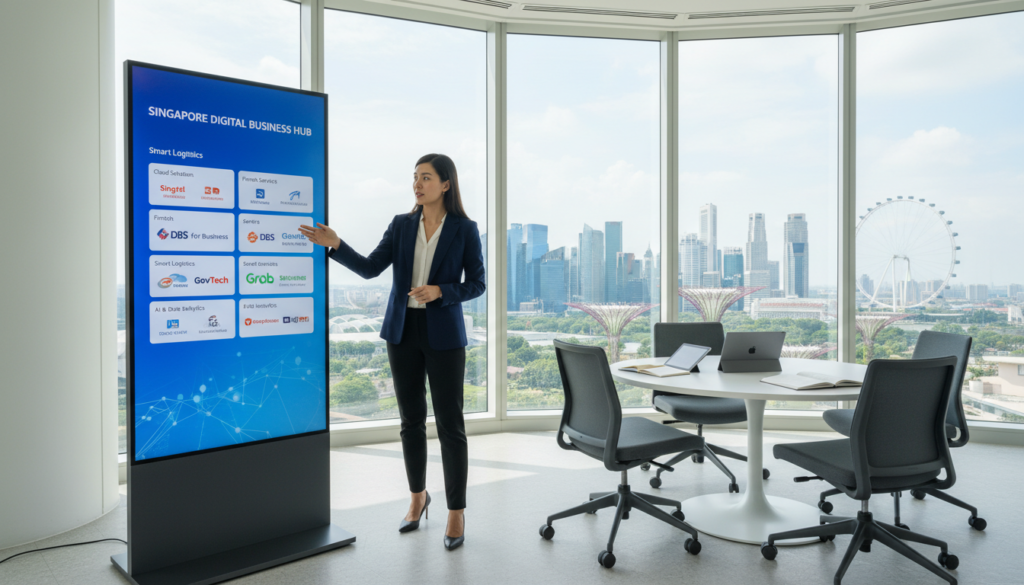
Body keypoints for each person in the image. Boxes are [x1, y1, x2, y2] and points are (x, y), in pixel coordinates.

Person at [299, 153, 484, 551]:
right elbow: (370, 268)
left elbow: (478, 283)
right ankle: (418, 498)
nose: (417, 184)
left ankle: (456, 511)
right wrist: (336, 245)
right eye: (415, 177)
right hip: (402, 332)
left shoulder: (465, 229)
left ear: (446, 184)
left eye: (426, 177)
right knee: (410, 421)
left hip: (445, 334)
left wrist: (441, 291)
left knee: (450, 425)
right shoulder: (401, 225)